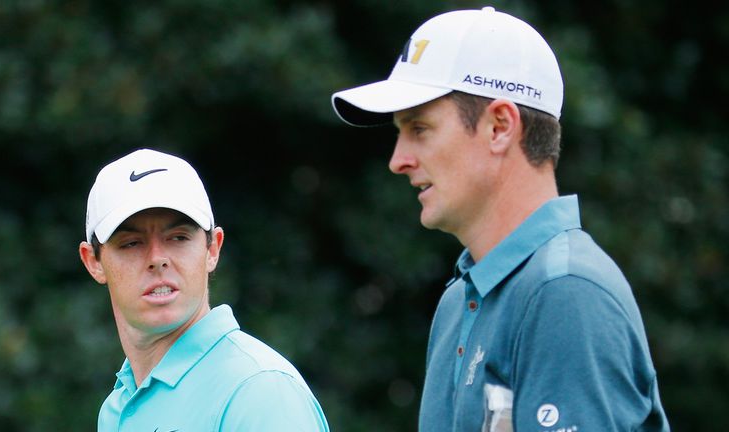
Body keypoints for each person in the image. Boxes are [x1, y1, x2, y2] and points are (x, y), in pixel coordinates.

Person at [331, 7, 669, 432]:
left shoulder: (565, 292)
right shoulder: (461, 299)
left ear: (499, 127)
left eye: (419, 128)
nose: (398, 161)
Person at [78, 148, 330, 431]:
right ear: (93, 262)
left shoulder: (259, 391)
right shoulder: (116, 408)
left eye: (178, 237)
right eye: (131, 243)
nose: (157, 258)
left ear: (213, 249)